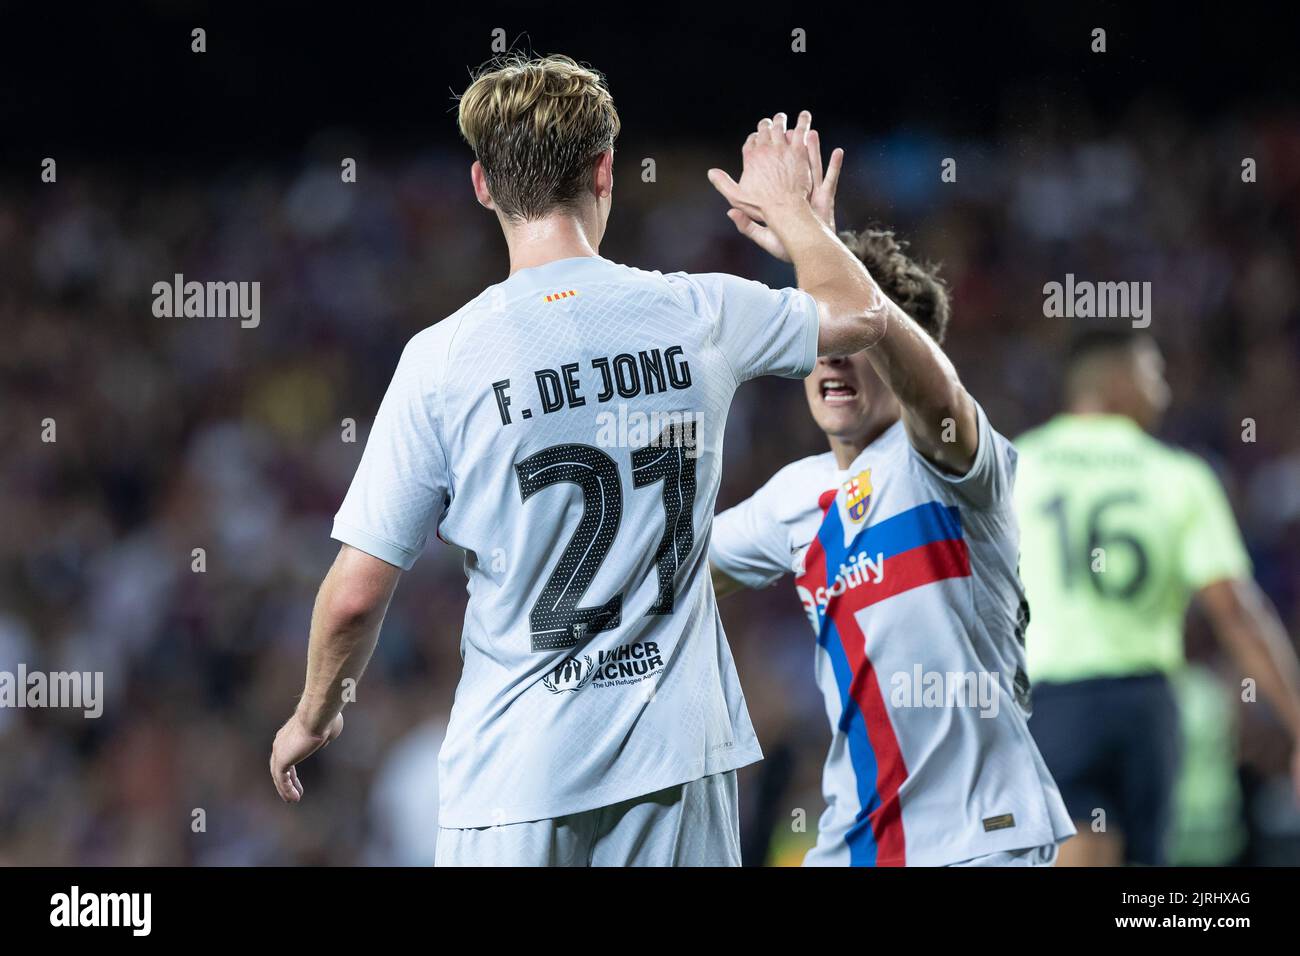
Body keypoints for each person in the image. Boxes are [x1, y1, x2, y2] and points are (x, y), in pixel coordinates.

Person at [269, 54, 896, 866]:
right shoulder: (697, 310)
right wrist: (796, 218)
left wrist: (314, 714)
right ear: (605, 171)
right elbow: (860, 314)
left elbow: (354, 595)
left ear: (483, 185)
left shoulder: (442, 359)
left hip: (515, 781)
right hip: (677, 765)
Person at [709, 143, 1074, 866]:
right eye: (821, 340)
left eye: (855, 342)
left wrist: (806, 233)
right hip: (855, 847)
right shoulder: (794, 498)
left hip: (982, 841)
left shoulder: (955, 465)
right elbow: (670, 571)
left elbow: (933, 392)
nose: (831, 358)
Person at [1016, 329, 1300, 865]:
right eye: (1155, 375)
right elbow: (1236, 610)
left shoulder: (1014, 466)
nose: (1165, 392)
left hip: (1054, 704)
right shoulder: (1180, 475)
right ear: (1116, 383)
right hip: (1144, 706)